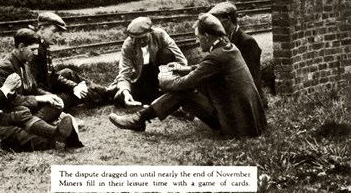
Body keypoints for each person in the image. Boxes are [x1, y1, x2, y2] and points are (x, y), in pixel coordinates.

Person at [109, 13, 267, 137]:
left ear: (206, 36)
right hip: (250, 121)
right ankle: (140, 118)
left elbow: (184, 84)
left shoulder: (215, 57)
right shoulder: (228, 48)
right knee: (185, 91)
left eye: (198, 37)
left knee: (184, 92)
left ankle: (139, 119)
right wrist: (184, 68)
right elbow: (204, 68)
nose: (197, 42)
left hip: (235, 127)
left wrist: (163, 78)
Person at [0, 34, 72, 151]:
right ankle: (54, 143)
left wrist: (9, 92)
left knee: (22, 115)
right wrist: (5, 89)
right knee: (14, 133)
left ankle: (57, 133)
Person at [0, 28, 82, 147]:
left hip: (26, 106)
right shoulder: (4, 68)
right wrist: (39, 99)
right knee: (23, 111)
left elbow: (34, 88)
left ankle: (37, 125)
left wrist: (48, 96)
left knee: (55, 103)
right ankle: (49, 129)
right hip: (10, 111)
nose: (35, 53)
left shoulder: (25, 62)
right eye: (32, 49)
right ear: (21, 46)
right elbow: (8, 101)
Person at [30, 12, 109, 110]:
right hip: (39, 95)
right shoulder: (34, 49)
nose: (58, 36)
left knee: (68, 73)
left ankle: (105, 92)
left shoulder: (42, 45)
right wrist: (71, 89)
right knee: (72, 96)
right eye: (54, 31)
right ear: (42, 29)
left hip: (46, 86)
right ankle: (107, 96)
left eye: (59, 32)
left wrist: (74, 86)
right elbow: (34, 87)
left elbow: (53, 75)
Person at [110, 16, 188, 106]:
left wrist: (175, 81)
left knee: (166, 53)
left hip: (163, 74)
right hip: (143, 78)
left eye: (144, 37)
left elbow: (181, 60)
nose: (142, 41)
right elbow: (124, 73)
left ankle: (166, 93)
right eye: (138, 39)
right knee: (121, 98)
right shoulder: (128, 45)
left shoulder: (160, 35)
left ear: (150, 32)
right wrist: (126, 92)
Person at [208, 1, 267, 107]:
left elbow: (252, 78)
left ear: (228, 20)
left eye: (217, 21)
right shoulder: (223, 40)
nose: (213, 25)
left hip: (250, 101)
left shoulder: (247, 42)